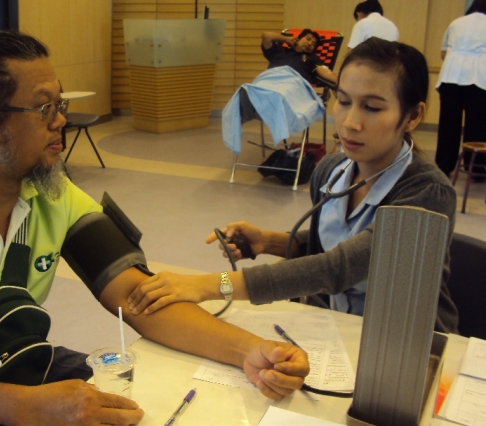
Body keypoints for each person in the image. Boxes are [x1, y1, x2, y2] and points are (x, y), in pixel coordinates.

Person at [0, 31, 309, 425]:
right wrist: (32, 407)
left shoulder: (53, 193)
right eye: (43, 108)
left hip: (10, 363)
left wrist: (250, 351)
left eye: (60, 103)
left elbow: (138, 298)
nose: (61, 120)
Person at [128, 38, 459, 335]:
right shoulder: (331, 170)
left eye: (372, 108)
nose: (350, 122)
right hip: (333, 328)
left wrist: (209, 285)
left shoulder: (428, 193)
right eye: (344, 101)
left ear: (413, 116)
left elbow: (339, 268)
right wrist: (269, 241)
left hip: (402, 344)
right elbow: (326, 246)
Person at [434, 0, 486, 177]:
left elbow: (443, 53)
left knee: (448, 124)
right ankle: (475, 167)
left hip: (451, 76)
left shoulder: (456, 23)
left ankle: (444, 165)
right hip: (478, 78)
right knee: (476, 125)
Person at [260, 28, 338, 85]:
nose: (310, 43)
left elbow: (322, 69)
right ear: (298, 39)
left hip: (292, 85)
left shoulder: (312, 58)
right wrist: (286, 39)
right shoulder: (280, 52)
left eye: (313, 44)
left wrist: (338, 80)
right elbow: (266, 36)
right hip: (269, 81)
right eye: (308, 39)